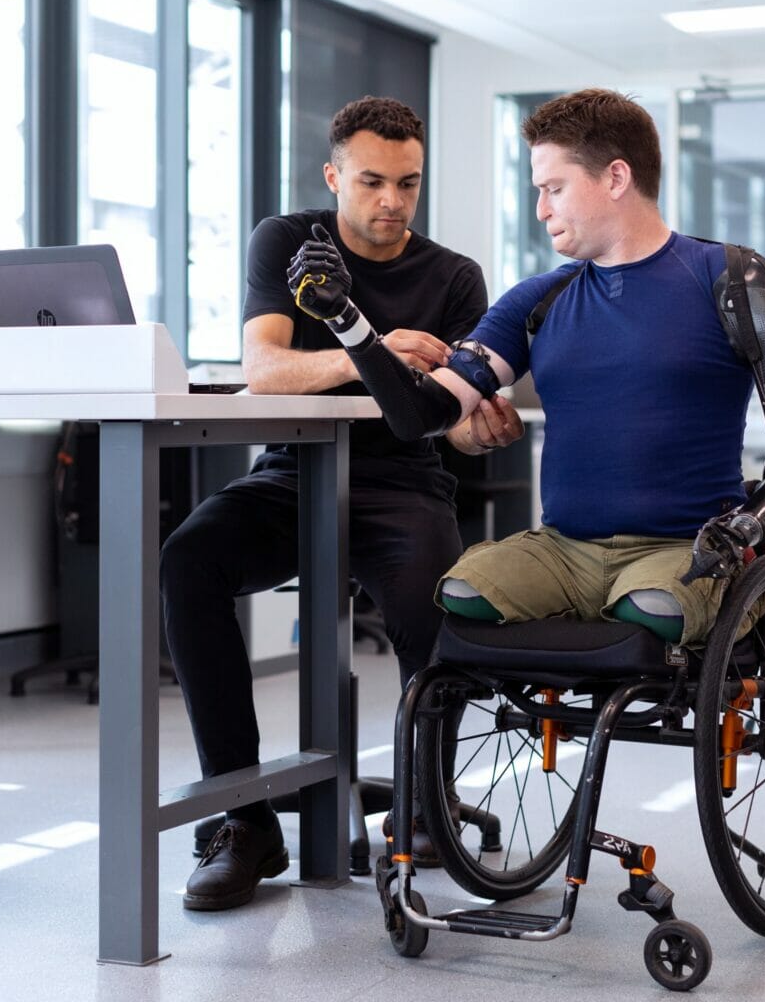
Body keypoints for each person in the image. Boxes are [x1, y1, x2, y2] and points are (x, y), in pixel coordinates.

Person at [288, 87, 765, 649]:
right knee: (461, 594)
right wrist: (347, 321)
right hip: (563, 552)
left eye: (553, 189)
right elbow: (421, 413)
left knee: (651, 607)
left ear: (615, 179)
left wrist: (743, 529)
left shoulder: (736, 284)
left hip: (680, 549)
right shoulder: (535, 303)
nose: (541, 209)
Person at [160, 96, 521, 911]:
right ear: (334, 177)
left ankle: (427, 801)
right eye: (370, 181)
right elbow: (265, 369)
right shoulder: (289, 243)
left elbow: (455, 429)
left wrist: (478, 433)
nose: (390, 200)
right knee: (190, 561)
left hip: (403, 482)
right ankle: (244, 821)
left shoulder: (455, 276)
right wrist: (370, 350)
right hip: (294, 471)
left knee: (436, 604)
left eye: (407, 183)